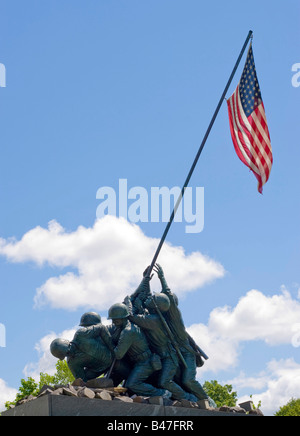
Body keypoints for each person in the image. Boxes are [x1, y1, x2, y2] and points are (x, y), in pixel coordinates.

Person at [127, 290, 198, 402]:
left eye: (152, 298)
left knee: (164, 382)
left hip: (169, 357)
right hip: (160, 356)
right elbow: (140, 306)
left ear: (155, 306)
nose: (149, 298)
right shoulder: (152, 317)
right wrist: (145, 282)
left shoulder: (154, 320)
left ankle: (189, 398)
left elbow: (131, 316)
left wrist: (128, 301)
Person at [153, 264, 210, 403]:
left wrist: (162, 278)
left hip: (186, 353)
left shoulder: (175, 318)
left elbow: (168, 297)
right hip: (175, 354)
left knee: (188, 380)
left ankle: (206, 400)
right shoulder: (162, 319)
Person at [108, 303, 170, 398]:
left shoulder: (128, 331)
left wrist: (107, 342)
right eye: (112, 318)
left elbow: (118, 354)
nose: (113, 321)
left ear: (124, 317)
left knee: (132, 384)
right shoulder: (124, 328)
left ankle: (162, 393)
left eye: (116, 318)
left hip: (145, 362)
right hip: (137, 362)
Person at [50, 312, 114, 382]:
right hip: (99, 369)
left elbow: (101, 328)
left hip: (111, 354)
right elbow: (82, 380)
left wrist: (113, 349)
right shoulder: (72, 363)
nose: (70, 353)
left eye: (68, 350)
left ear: (68, 342)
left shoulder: (81, 335)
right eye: (66, 354)